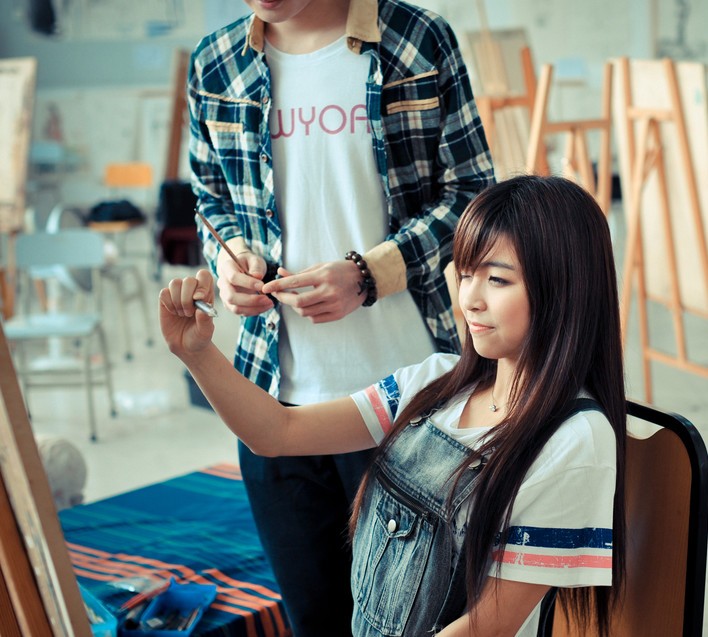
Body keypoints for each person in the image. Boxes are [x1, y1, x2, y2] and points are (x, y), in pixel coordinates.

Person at [160, 176, 627, 636]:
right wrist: (196, 352)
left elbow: (486, 627)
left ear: (563, 288)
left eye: (497, 279)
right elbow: (278, 431)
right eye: (465, 274)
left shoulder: (575, 440)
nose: (470, 299)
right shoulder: (436, 381)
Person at [187, 0, 493, 632]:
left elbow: (475, 193)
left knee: (419, 620)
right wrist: (229, 260)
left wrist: (371, 273)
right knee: (315, 620)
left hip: (409, 400)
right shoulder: (215, 64)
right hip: (272, 400)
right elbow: (209, 198)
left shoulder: (416, 39)